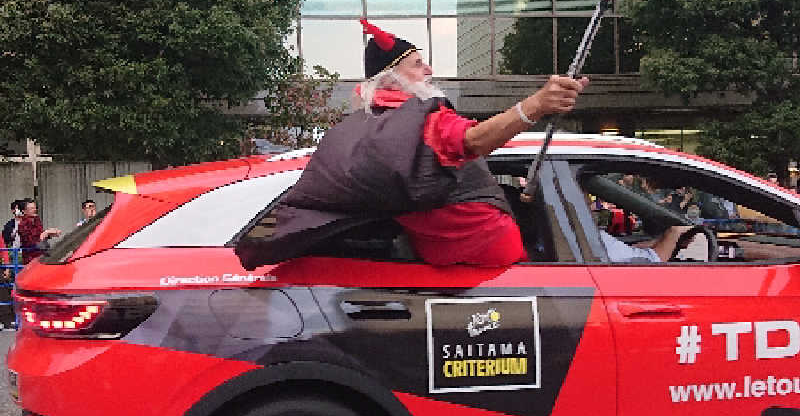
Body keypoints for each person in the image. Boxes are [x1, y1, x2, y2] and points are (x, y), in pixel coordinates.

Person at [239, 20, 587, 269]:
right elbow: (474, 139)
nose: (429, 70)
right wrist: (536, 105)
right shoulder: (421, 119)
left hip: (443, 266)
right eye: (418, 65)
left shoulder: (360, 127)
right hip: (496, 268)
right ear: (392, 77)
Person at [16, 199, 61, 265]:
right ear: (24, 211)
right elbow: (31, 243)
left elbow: (41, 235)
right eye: (31, 208)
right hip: (31, 258)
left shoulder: (37, 220)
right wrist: (45, 233)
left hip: (43, 255)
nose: (34, 210)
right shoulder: (22, 224)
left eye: (35, 208)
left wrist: (50, 234)